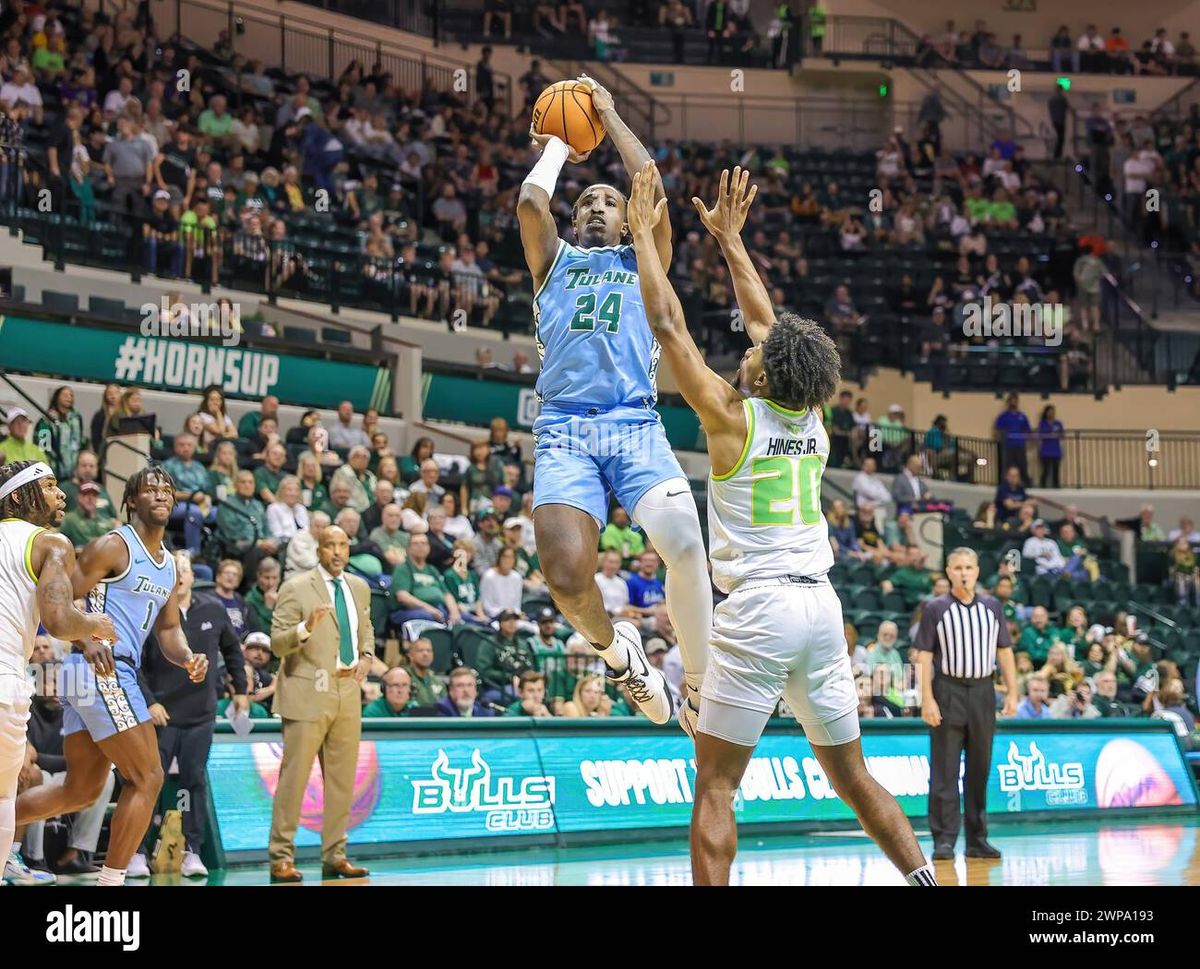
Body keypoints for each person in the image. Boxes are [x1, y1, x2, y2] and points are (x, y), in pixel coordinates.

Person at [626, 163, 933, 886]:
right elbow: (770, 323)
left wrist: (645, 235)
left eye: (757, 354)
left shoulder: (732, 420)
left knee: (716, 785)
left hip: (759, 607)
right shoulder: (814, 417)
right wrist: (730, 242)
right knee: (855, 779)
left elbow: (667, 324)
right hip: (821, 610)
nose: (751, 346)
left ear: (765, 376)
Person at [519, 75, 709, 727]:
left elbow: (648, 180)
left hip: (634, 425)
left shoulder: (642, 259)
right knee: (567, 577)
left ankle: (701, 682)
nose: (601, 206)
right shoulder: (555, 261)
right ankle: (620, 654)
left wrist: (606, 113)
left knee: (684, 538)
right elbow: (527, 203)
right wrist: (556, 146)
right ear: (575, 220)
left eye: (610, 200)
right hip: (565, 431)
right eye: (589, 202)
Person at [15, 466, 206, 887]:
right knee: (149, 776)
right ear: (131, 501)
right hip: (99, 666)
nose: (160, 494)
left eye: (166, 489)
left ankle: (6, 846)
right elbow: (61, 599)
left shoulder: (170, 567)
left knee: (80, 792)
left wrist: (188, 656)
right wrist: (85, 641)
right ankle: (112, 881)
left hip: (92, 675)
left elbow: (169, 630)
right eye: (150, 489)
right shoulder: (113, 546)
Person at [0, 461, 118, 884]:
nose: (61, 493)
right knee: (2, 798)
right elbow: (59, 619)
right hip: (4, 682)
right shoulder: (51, 542)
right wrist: (95, 626)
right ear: (18, 497)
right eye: (49, 486)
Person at [267, 524, 375, 883]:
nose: (337, 552)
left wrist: (368, 656)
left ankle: (335, 855)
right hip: (307, 689)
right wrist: (305, 628)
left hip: (347, 691)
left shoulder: (359, 587)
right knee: (293, 780)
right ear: (318, 550)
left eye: (343, 545)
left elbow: (367, 626)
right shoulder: (296, 588)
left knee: (343, 781)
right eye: (330, 545)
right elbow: (277, 644)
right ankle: (281, 857)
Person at [134, 550, 247, 878]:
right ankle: (137, 853)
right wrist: (149, 701)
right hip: (161, 714)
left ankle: (193, 851)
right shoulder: (150, 612)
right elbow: (134, 663)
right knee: (147, 783)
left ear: (192, 577)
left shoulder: (213, 608)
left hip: (200, 713)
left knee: (195, 779)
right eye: (173, 569)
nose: (179, 575)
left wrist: (239, 689)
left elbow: (232, 650)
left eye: (184, 569)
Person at [916, 547, 1018, 861]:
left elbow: (1004, 651)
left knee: (979, 768)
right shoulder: (935, 608)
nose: (963, 572)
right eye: (958, 567)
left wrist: (1013, 692)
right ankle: (943, 840)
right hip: (948, 690)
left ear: (977, 571)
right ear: (948, 572)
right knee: (944, 769)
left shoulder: (992, 606)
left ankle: (977, 839)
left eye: (969, 567)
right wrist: (927, 698)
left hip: (984, 691)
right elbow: (924, 655)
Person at [993, 393, 1031, 484]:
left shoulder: (1022, 416)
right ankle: (1006, 485)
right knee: (1007, 466)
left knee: (1022, 465)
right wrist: (999, 438)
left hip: (1020, 446)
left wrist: (1025, 437)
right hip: (1008, 446)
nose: (1013, 403)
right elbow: (997, 430)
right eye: (1012, 401)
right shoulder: (1003, 416)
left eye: (1015, 401)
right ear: (1008, 402)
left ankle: (1024, 484)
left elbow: (1027, 430)